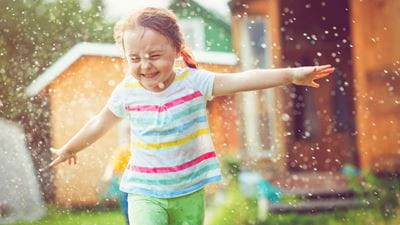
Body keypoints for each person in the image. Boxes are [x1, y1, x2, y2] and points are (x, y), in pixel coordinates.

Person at [48, 7, 335, 225]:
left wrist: (292, 75)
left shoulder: (195, 82)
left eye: (154, 55)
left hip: (188, 191)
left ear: (176, 50)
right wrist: (72, 146)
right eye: (134, 58)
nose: (145, 65)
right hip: (144, 191)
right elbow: (100, 121)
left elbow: (246, 78)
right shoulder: (127, 91)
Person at [100, 120, 131, 225]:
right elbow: (112, 165)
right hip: (125, 188)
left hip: (139, 188)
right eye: (129, 133)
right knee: (127, 212)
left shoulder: (141, 150)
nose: (131, 136)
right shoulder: (124, 151)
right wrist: (107, 174)